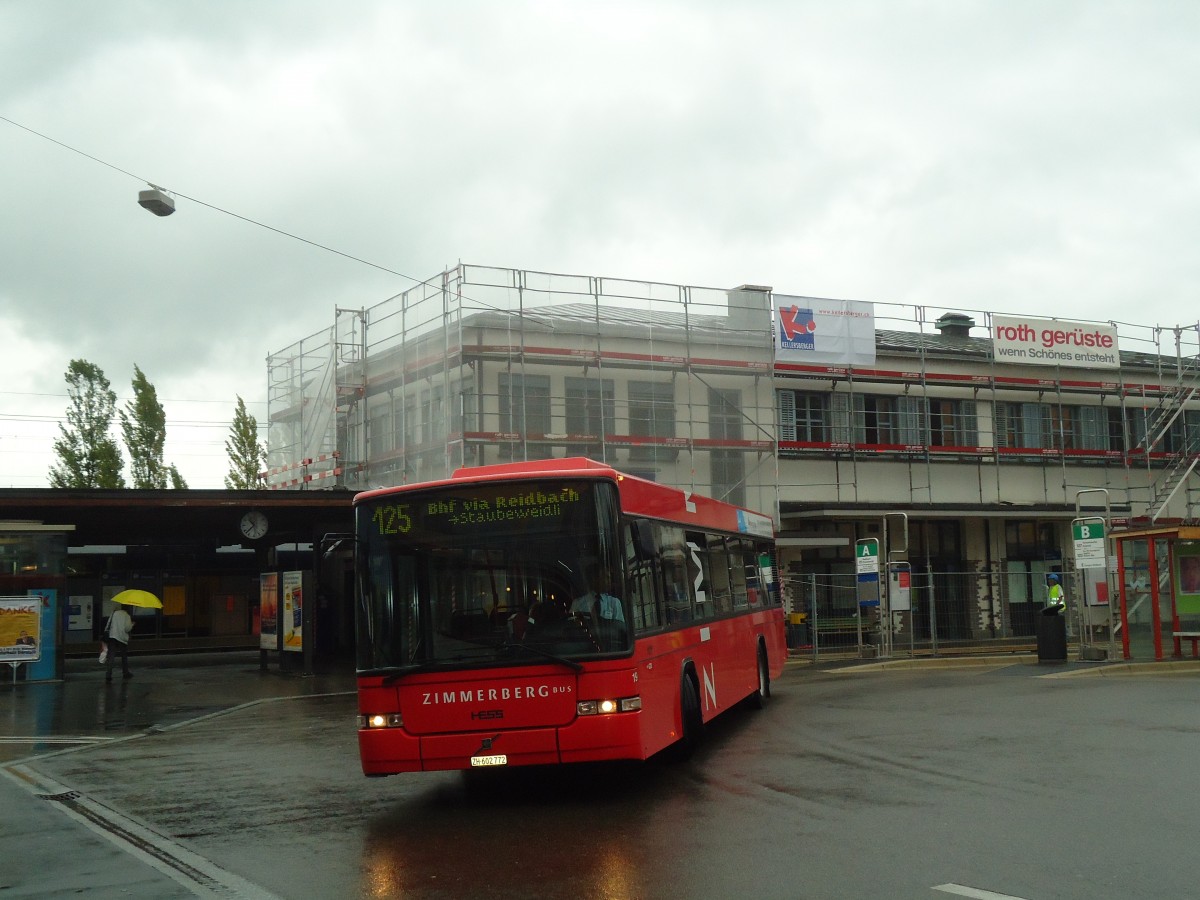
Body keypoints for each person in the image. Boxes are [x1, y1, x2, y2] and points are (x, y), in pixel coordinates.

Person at [105, 605, 135, 682]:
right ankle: (125, 672)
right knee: (124, 656)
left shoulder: (114, 613)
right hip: (122, 638)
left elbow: (108, 623)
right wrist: (132, 624)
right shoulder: (127, 615)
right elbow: (127, 629)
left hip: (112, 636)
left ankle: (108, 674)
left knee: (111, 656)